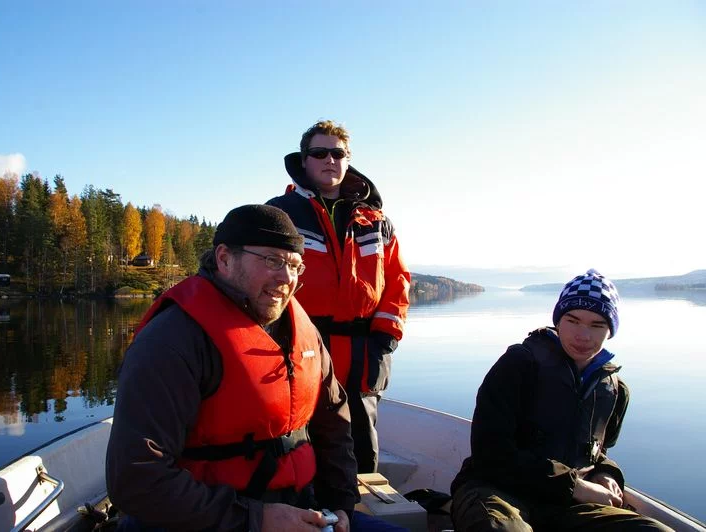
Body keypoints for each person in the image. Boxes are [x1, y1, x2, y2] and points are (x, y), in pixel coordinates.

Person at [106, 204, 405, 532]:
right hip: (208, 522)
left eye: (295, 265)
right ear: (224, 259)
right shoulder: (171, 340)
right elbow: (136, 480)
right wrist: (257, 519)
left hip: (302, 510)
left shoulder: (303, 332)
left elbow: (332, 423)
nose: (287, 278)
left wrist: (340, 503)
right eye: (273, 261)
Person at [450, 269, 673, 531]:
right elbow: (490, 454)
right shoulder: (518, 365)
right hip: (495, 490)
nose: (583, 336)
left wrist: (606, 473)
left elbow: (595, 452)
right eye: (573, 320)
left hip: (566, 504)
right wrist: (575, 486)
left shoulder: (614, 390)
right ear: (558, 320)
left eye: (597, 325)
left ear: (610, 330)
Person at [267, 120, 410, 474]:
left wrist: (386, 339)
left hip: (365, 351)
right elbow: (262, 279)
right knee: (300, 440)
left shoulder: (376, 220)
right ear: (304, 160)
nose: (329, 160)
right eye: (319, 153)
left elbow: (398, 281)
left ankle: (362, 503)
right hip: (302, 345)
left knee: (362, 444)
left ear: (348, 159)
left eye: (338, 153)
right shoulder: (279, 214)